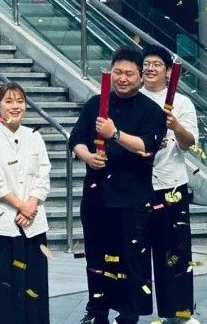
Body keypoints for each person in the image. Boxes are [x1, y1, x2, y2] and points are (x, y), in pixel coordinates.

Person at [68, 46, 167, 324]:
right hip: (97, 195)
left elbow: (147, 146)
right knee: (96, 255)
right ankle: (97, 311)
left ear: (141, 77)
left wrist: (114, 133)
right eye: (118, 72)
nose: (123, 78)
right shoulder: (95, 103)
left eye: (129, 74)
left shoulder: (151, 110)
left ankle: (129, 313)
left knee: (131, 257)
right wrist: (87, 156)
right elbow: (75, 139)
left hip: (133, 197)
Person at [0, 82, 51, 324]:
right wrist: (20, 205)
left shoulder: (34, 137)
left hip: (33, 221)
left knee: (34, 284)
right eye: (9, 101)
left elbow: (43, 175)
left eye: (20, 101)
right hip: (1, 222)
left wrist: (31, 204)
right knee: (4, 284)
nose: (15, 106)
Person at [140, 43, 199, 324]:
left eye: (156, 64)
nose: (150, 69)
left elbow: (189, 143)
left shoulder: (182, 102)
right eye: (146, 64)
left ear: (168, 71)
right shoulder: (132, 97)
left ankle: (179, 313)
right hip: (137, 186)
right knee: (135, 251)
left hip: (171, 184)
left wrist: (175, 127)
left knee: (174, 251)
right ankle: (130, 312)